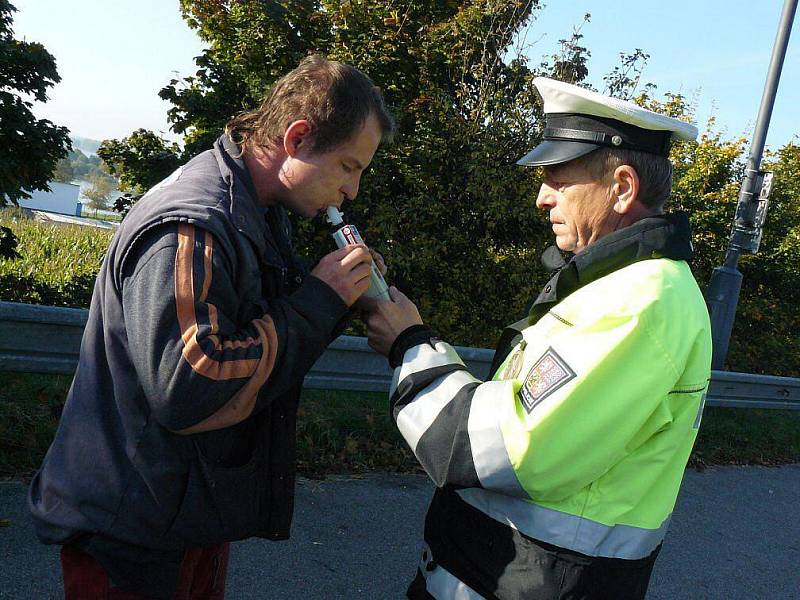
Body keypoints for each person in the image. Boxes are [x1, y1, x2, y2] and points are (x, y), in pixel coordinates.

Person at [28, 55, 395, 599]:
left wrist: (337, 297)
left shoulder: (256, 208)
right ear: (296, 138)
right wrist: (320, 298)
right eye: (349, 166)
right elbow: (189, 388)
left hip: (181, 508)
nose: (353, 192)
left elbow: (255, 324)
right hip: (132, 525)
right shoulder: (195, 222)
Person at [363, 77, 712, 599]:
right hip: (502, 574)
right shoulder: (617, 286)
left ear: (621, 187)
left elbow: (498, 450)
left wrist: (407, 342)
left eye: (557, 179)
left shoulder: (640, 301)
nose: (542, 197)